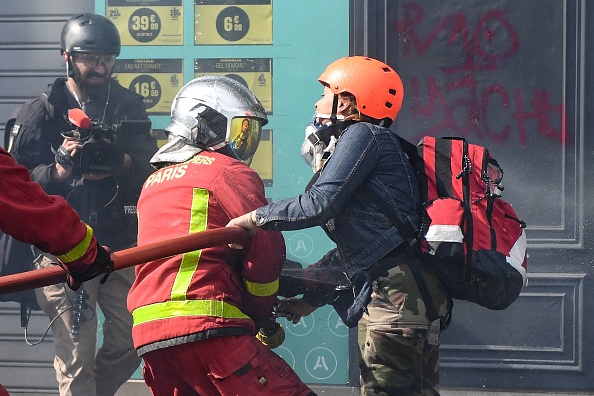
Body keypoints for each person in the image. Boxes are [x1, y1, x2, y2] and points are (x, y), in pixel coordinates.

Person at [228, 56, 452, 396]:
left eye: (324, 94)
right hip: (415, 297)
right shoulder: (382, 146)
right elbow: (366, 246)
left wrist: (255, 218)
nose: (317, 104)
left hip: (396, 302)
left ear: (346, 102)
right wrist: (311, 301)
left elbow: (320, 202)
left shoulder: (363, 135)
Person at [127, 75, 315, 396]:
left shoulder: (153, 183)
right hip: (208, 326)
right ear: (209, 124)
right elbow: (266, 246)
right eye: (242, 131)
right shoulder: (226, 171)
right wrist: (260, 310)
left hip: (151, 339)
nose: (246, 145)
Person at [9, 13, 157, 396]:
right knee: (77, 356)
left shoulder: (129, 106)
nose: (100, 66)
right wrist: (59, 169)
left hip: (118, 247)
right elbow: (15, 183)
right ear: (67, 57)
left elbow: (151, 170)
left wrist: (119, 161)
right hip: (61, 252)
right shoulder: (40, 112)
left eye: (108, 58)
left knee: (132, 341)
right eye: (91, 58)